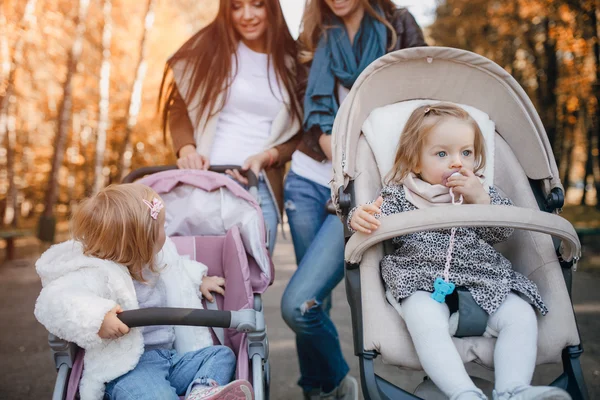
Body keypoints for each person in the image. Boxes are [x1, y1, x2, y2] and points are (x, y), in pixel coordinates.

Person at [349, 103, 571, 400]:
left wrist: (481, 202)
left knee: (520, 315)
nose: (457, 162)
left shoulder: (482, 192)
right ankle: (464, 393)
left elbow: (502, 231)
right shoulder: (399, 195)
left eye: (466, 153)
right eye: (442, 154)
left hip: (484, 278)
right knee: (424, 318)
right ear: (415, 162)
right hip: (423, 281)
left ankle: (513, 390)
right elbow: (371, 220)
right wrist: (358, 217)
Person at [280, 1, 426, 399]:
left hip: (372, 184)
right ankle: (323, 387)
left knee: (346, 297)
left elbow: (422, 101)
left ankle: (367, 384)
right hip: (311, 179)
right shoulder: (312, 37)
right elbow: (306, 111)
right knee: (314, 303)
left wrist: (359, 161)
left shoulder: (399, 26)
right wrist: (334, 148)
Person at [34, 184, 253, 400]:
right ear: (139, 241)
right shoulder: (96, 273)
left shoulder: (154, 260)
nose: (167, 234)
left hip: (169, 359)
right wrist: (98, 319)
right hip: (128, 368)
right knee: (158, 396)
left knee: (221, 355)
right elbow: (59, 300)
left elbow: (177, 268)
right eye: (161, 228)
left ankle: (201, 392)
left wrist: (199, 279)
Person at [158, 0, 302, 254]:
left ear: (272, 8)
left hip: (259, 185)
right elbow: (179, 107)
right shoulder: (214, 53)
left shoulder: (294, 63)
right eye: (236, 6)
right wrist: (187, 150)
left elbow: (297, 133)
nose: (247, 15)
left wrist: (268, 157)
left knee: (252, 282)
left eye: (256, 5)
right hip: (206, 183)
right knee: (201, 279)